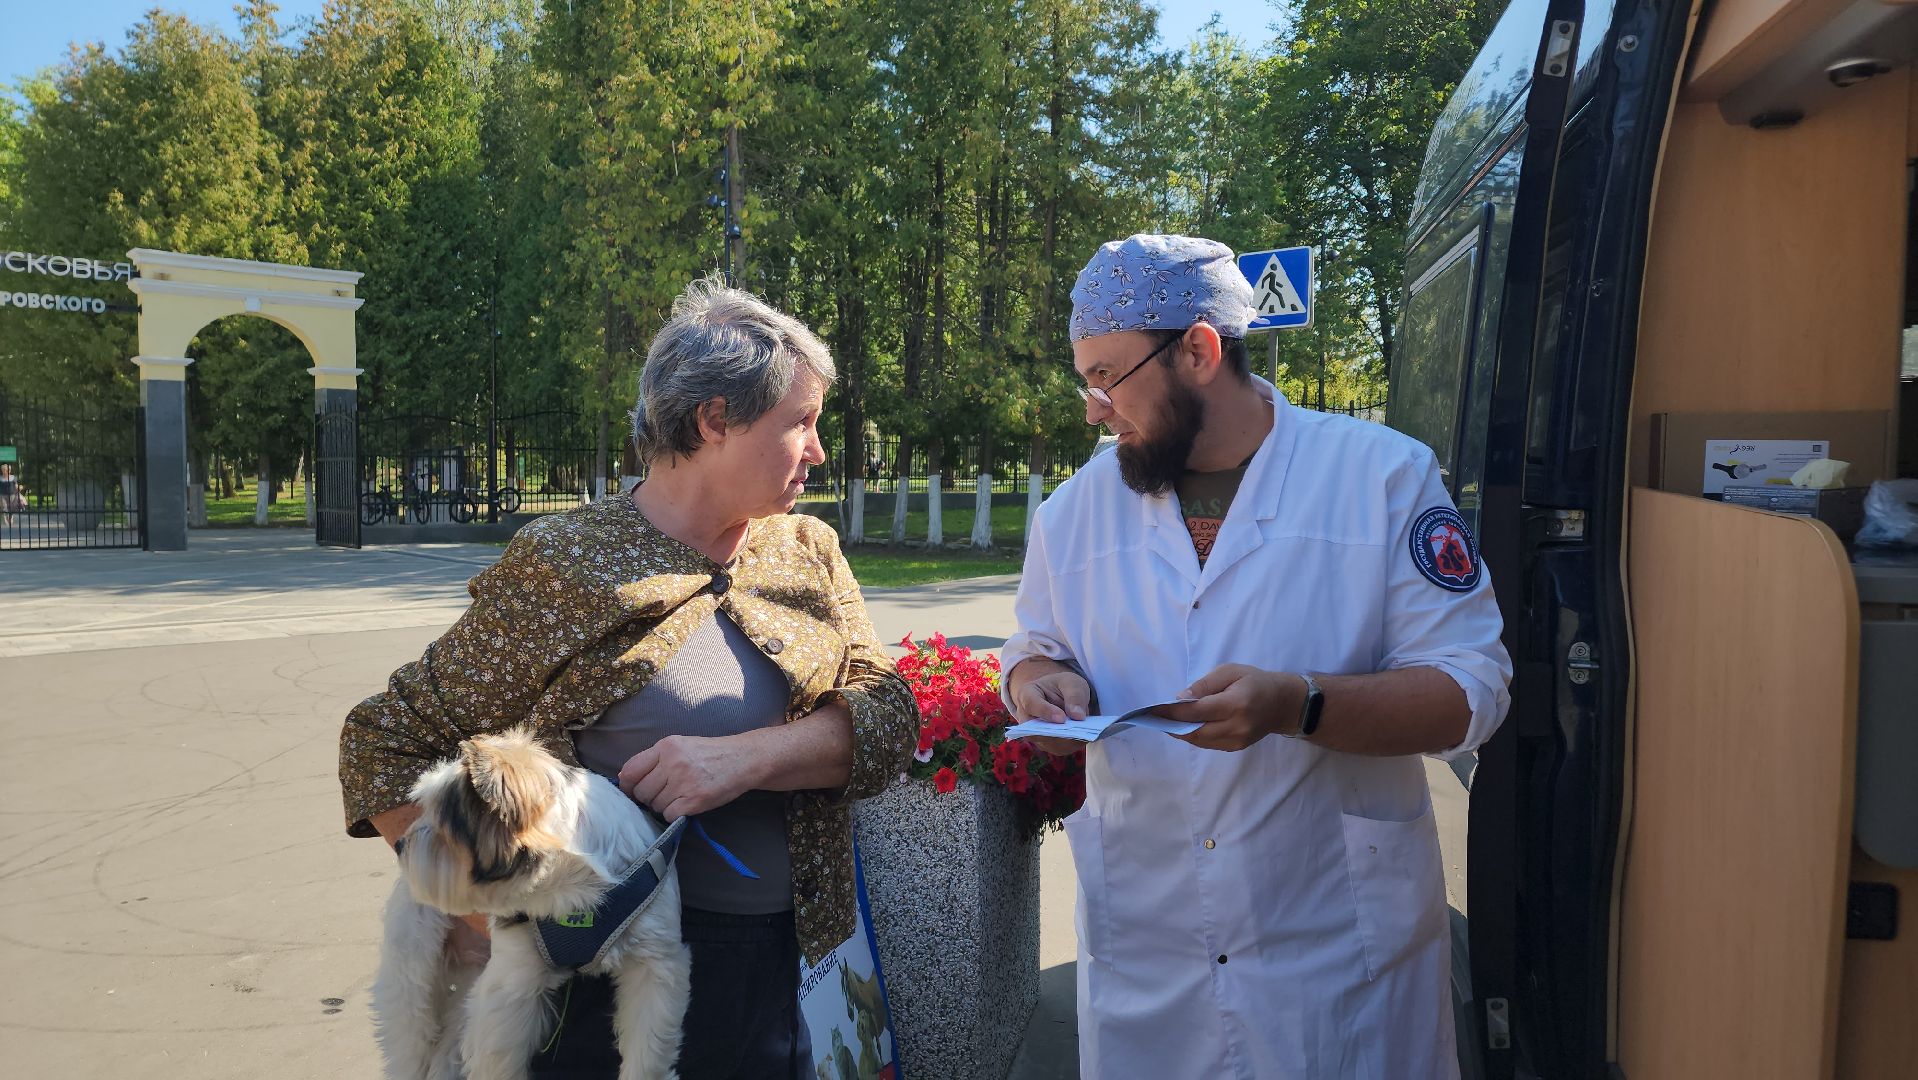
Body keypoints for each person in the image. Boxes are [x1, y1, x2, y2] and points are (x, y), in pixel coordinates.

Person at [338, 276, 918, 1079]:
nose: (818, 449)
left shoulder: (807, 550)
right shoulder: (565, 564)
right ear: (715, 419)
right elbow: (384, 741)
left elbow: (889, 715)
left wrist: (746, 758)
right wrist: (472, 902)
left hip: (786, 963)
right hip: (595, 987)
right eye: (802, 424)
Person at [1002, 234, 1513, 1079]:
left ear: (1199, 351)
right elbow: (1033, 647)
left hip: (1335, 957)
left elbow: (1471, 691)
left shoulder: (1380, 478)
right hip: (1149, 951)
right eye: (1083, 377)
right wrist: (1037, 685)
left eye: (1108, 376)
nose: (1093, 406)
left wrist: (1301, 706)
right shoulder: (1073, 513)